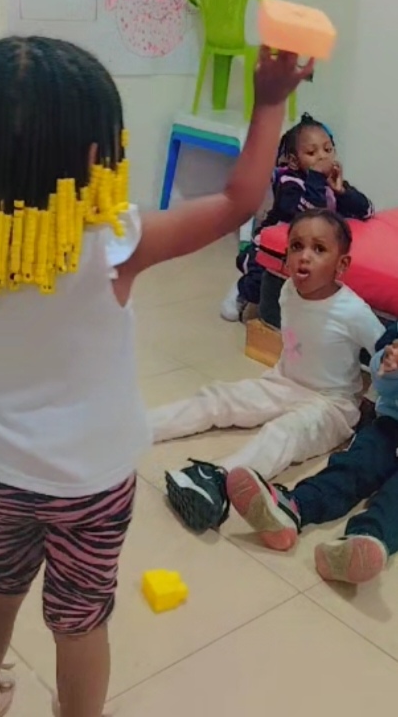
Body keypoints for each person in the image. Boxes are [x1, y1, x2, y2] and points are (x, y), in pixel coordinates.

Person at [0, 37, 311, 717]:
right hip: (89, 479)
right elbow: (238, 200)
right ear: (93, 157)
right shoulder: (113, 242)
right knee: (79, 622)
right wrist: (269, 102)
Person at [150, 210, 384, 534]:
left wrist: (378, 407)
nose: (304, 257)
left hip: (331, 404)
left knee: (282, 434)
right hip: (282, 382)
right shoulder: (287, 291)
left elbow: (385, 354)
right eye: (296, 246)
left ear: (341, 265)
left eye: (318, 249)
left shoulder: (353, 311)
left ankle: (217, 482)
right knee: (219, 398)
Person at [227, 326, 398, 585]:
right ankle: (293, 507)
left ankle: (365, 542)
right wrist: (388, 367)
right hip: (390, 425)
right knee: (354, 465)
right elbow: (381, 373)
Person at [221, 112, 373, 322]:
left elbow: (367, 210)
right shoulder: (289, 183)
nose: (322, 157)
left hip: (311, 249)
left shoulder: (332, 183)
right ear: (294, 161)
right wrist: (316, 177)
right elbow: (310, 216)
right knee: (259, 284)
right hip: (273, 246)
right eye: (312, 152)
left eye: (328, 149)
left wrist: (343, 192)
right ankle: (242, 288)